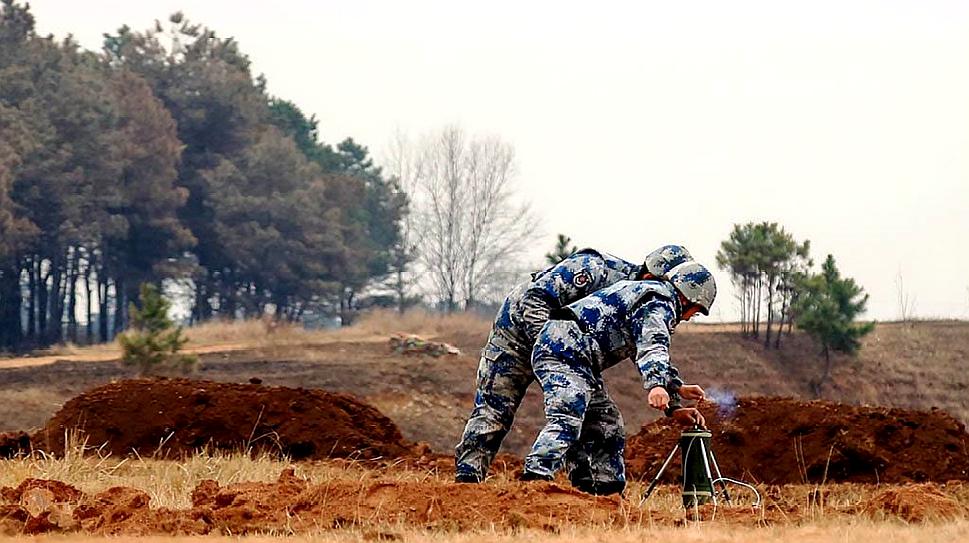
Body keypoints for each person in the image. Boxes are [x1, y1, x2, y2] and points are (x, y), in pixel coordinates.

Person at [454, 245, 694, 483]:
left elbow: (645, 344)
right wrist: (554, 352)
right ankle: (468, 479)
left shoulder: (640, 298)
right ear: (654, 276)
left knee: (596, 417)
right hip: (515, 340)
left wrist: (673, 400)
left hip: (569, 351)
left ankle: (586, 485)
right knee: (494, 410)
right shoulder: (595, 268)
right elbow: (534, 299)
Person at [521, 260, 716, 496]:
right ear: (689, 297)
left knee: (606, 422)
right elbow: (653, 346)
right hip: (561, 351)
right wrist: (656, 385)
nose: (689, 318)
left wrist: (676, 392)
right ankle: (533, 483)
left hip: (577, 359)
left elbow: (641, 345)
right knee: (568, 415)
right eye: (696, 311)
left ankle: (603, 492)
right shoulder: (658, 302)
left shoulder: (650, 297)